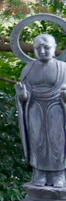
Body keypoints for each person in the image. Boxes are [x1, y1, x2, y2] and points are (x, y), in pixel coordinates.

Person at [16, 34, 66, 188]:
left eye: (47, 47)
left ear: (55, 48)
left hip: (57, 109)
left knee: (57, 142)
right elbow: (24, 94)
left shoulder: (63, 68)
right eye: (38, 48)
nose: (42, 51)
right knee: (37, 142)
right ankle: (39, 173)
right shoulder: (28, 69)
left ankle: (58, 175)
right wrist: (22, 96)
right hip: (35, 109)